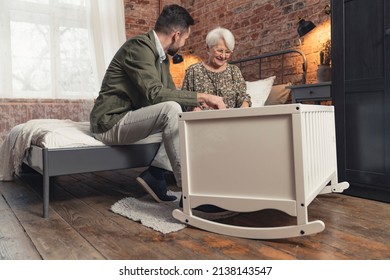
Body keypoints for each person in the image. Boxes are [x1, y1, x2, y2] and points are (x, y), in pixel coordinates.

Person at [89, 5, 226, 203]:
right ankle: (192, 195)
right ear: (176, 35)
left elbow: (171, 94)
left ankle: (156, 174)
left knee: (182, 114)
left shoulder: (162, 59)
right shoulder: (139, 47)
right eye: (186, 38)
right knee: (171, 110)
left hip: (128, 118)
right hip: (109, 122)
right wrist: (204, 97)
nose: (184, 42)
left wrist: (191, 108)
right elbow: (155, 94)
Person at [182, 27, 251, 110]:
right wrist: (193, 108)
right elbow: (184, 99)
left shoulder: (234, 71)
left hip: (229, 119)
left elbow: (243, 97)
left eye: (228, 52)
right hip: (202, 120)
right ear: (208, 48)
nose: (223, 56)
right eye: (219, 51)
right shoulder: (193, 71)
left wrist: (244, 107)